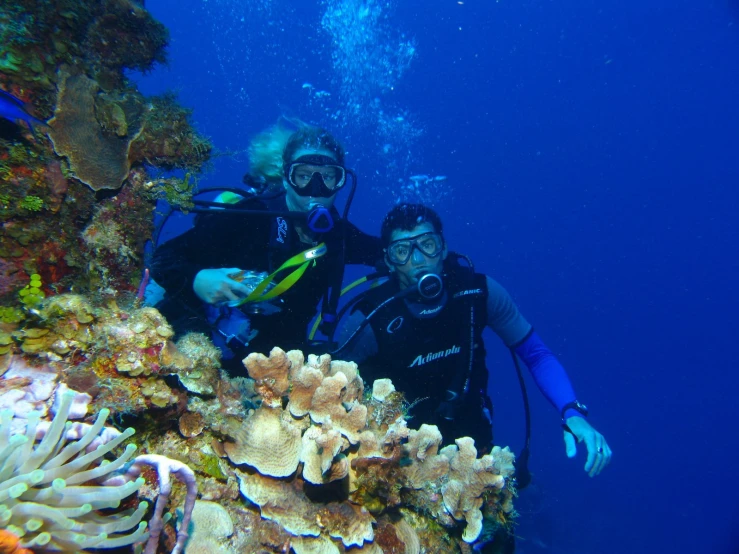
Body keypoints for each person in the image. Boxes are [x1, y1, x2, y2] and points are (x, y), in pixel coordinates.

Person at [151, 125, 381, 374]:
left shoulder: (340, 237)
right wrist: (198, 279)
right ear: (285, 177)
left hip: (282, 363)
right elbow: (163, 258)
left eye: (328, 177)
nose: (316, 189)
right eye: (303, 176)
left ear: (340, 181)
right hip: (211, 349)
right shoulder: (250, 217)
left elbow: (388, 253)